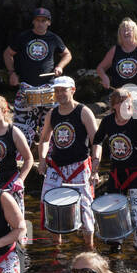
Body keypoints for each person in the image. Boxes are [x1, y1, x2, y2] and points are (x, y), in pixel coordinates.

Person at [93, 88, 137, 261]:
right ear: (114, 106)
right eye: (122, 102)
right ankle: (116, 248)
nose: (127, 105)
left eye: (129, 101)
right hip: (116, 173)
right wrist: (95, 166)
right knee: (112, 212)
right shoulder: (107, 121)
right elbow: (97, 141)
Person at [38, 76, 98, 247]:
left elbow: (96, 141)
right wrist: (42, 160)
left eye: (63, 90)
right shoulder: (53, 113)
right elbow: (44, 140)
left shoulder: (83, 111)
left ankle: (89, 247)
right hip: (56, 167)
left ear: (72, 90)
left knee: (85, 206)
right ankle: (57, 247)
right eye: (56, 91)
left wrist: (95, 167)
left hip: (79, 166)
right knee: (49, 203)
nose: (59, 94)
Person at [5, 7, 71, 138]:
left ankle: (48, 155)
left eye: (43, 21)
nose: (40, 23)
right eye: (38, 20)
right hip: (27, 86)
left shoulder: (54, 38)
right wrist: (12, 72)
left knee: (50, 123)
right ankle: (23, 154)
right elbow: (8, 54)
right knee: (22, 124)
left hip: (48, 87)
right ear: (33, 22)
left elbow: (67, 54)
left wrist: (60, 67)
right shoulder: (23, 37)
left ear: (49, 22)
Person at [94, 18, 137, 124]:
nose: (126, 32)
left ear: (135, 32)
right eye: (123, 30)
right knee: (119, 123)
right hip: (120, 94)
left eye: (129, 29)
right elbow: (100, 68)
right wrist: (104, 78)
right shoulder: (115, 50)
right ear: (119, 34)